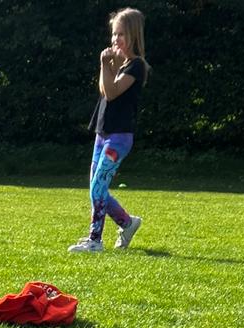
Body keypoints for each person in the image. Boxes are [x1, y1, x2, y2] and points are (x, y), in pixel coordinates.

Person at [68, 8, 149, 254]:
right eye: (114, 34)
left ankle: (95, 240)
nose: (115, 39)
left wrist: (106, 64)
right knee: (96, 187)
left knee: (98, 188)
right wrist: (109, 65)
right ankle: (127, 223)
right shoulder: (120, 64)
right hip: (103, 133)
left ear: (133, 35)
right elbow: (105, 90)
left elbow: (113, 93)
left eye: (121, 34)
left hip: (119, 137)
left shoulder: (136, 66)